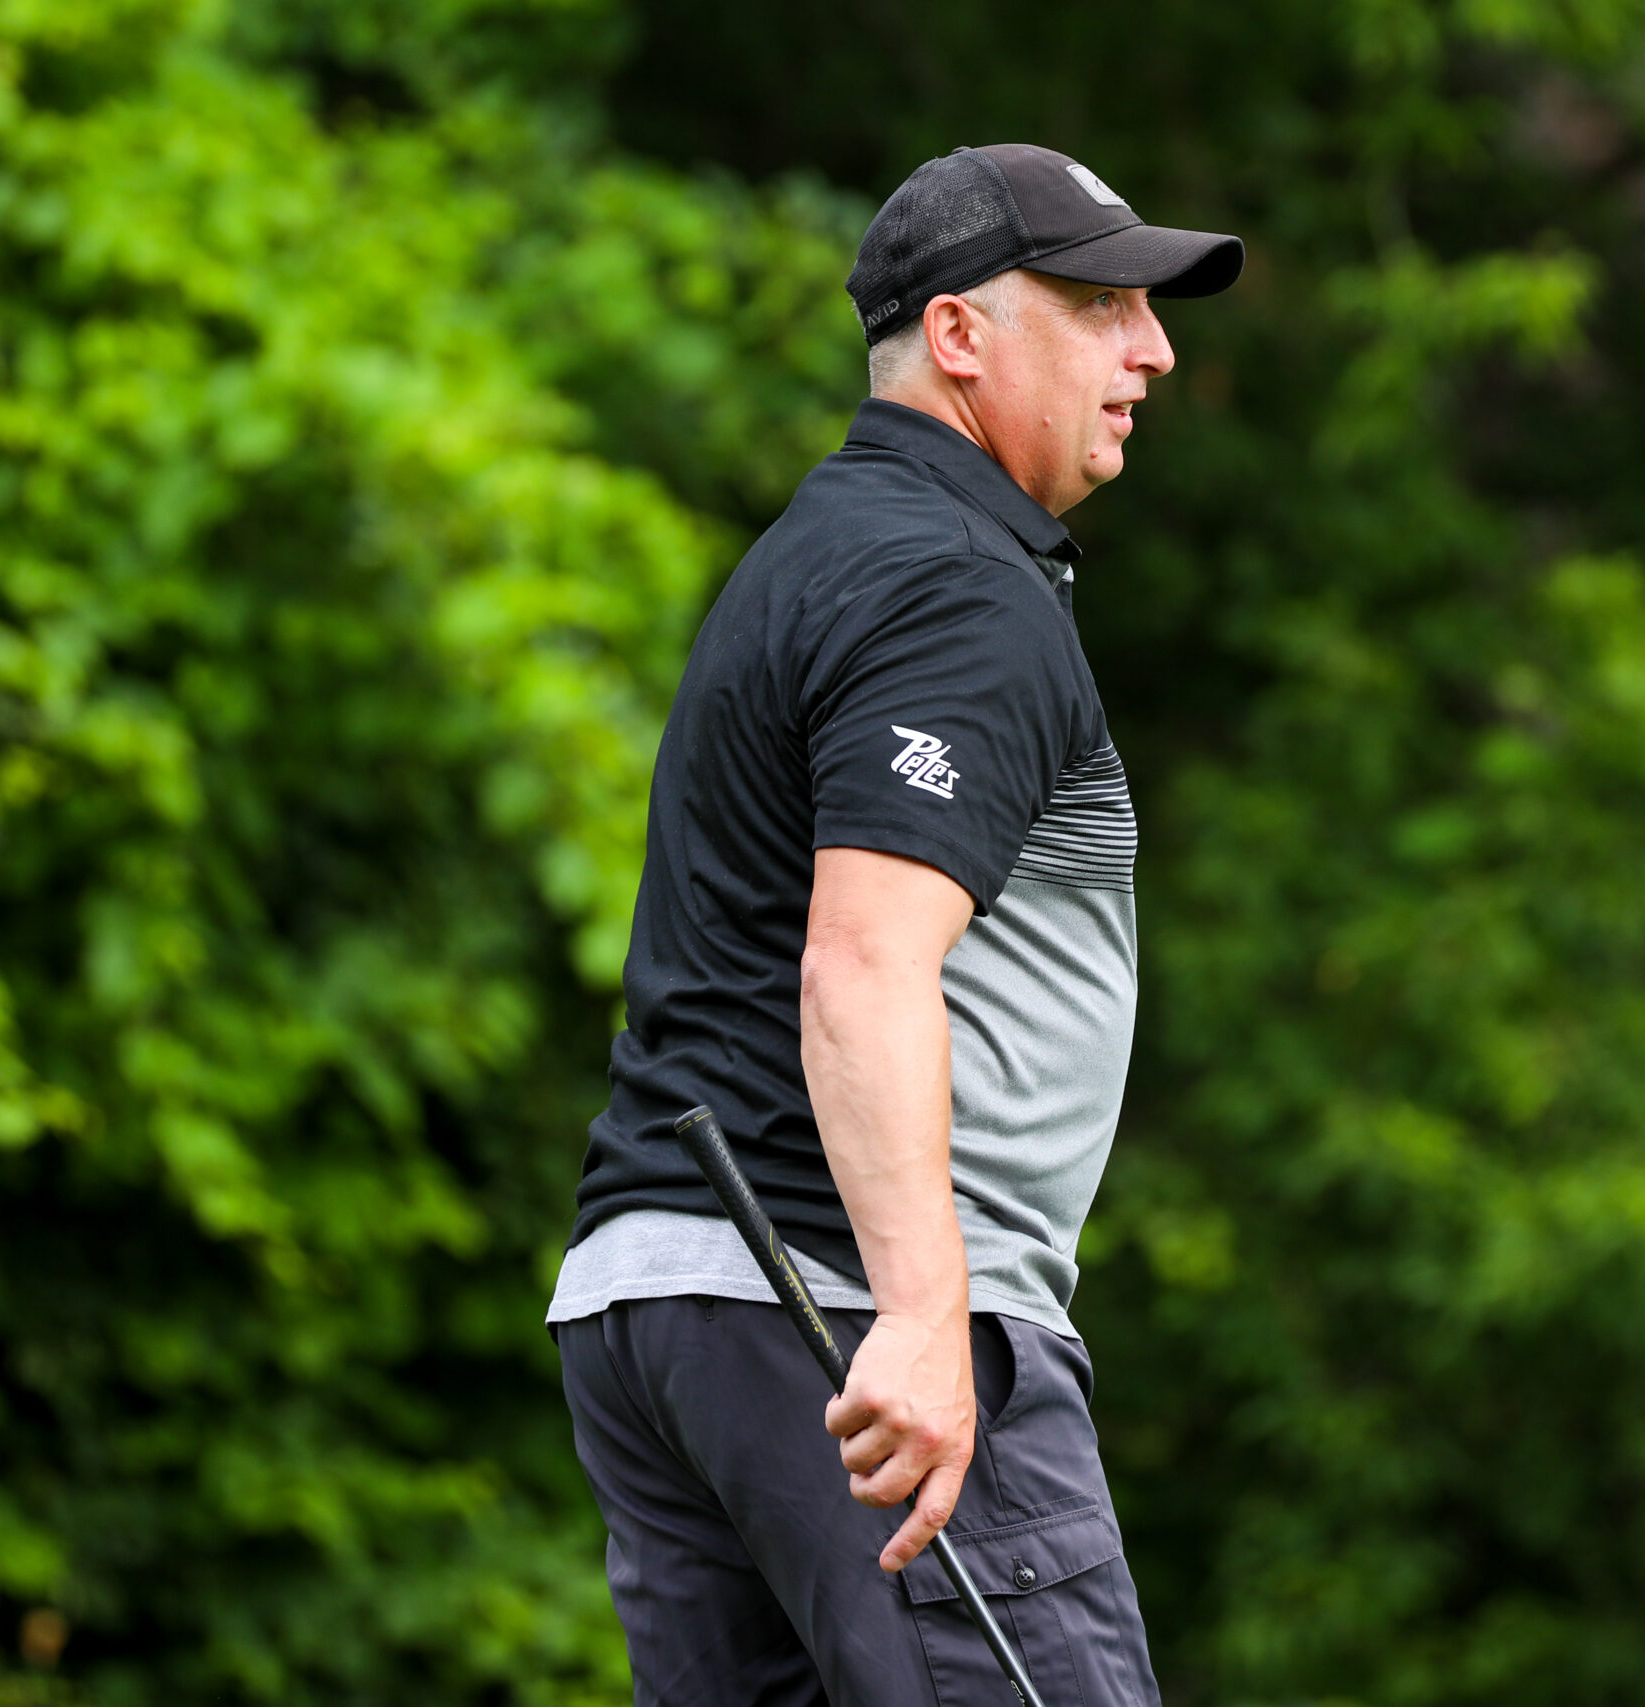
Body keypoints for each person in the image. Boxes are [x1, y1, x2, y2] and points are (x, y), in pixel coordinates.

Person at [547, 142, 1242, 1706]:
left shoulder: (807, 561)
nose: (1153, 350)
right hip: (847, 1312)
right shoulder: (955, 587)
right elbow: (861, 960)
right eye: (1104, 306)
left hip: (659, 1302)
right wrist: (927, 1316)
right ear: (959, 335)